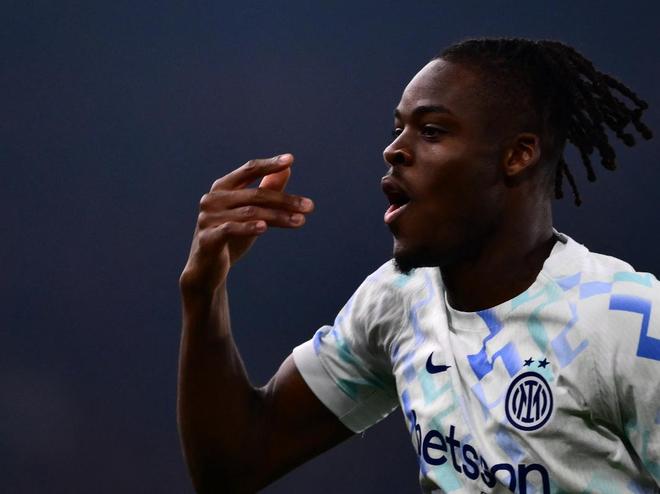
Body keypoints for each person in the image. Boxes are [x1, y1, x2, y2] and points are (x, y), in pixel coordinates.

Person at [177, 38, 658, 493]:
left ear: (517, 155)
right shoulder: (400, 299)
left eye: (431, 131)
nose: (393, 150)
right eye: (398, 130)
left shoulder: (627, 320)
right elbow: (234, 466)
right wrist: (204, 291)